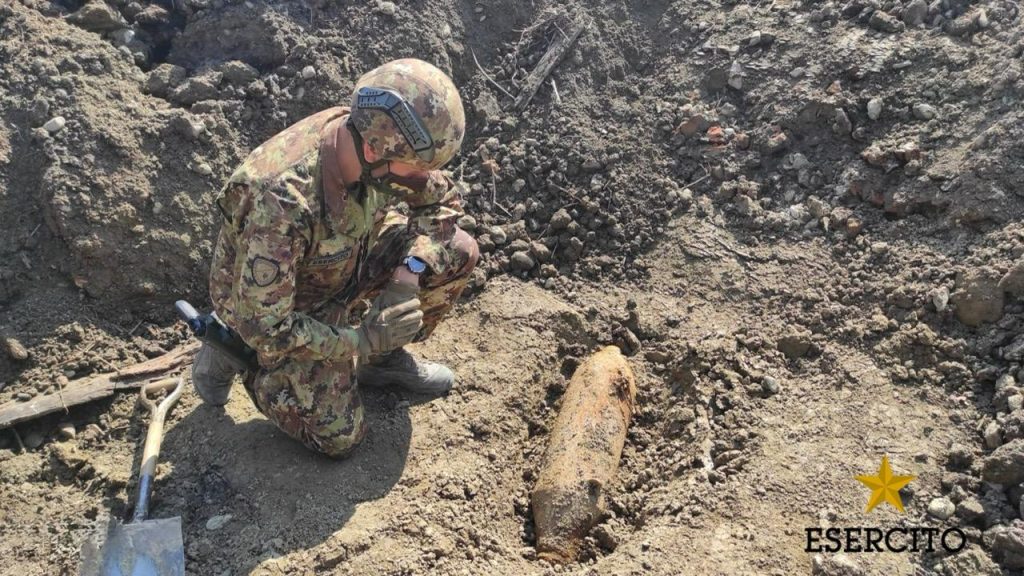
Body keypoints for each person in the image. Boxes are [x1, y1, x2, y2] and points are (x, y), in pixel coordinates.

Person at [191, 59, 479, 458]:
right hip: (277, 307)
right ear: (375, 148)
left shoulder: (376, 143)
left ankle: (383, 361)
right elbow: (267, 326)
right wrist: (357, 341)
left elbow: (442, 201)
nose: (417, 178)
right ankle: (238, 356)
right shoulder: (279, 202)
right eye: (412, 169)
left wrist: (407, 276)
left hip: (346, 257)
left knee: (458, 250)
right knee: (340, 438)